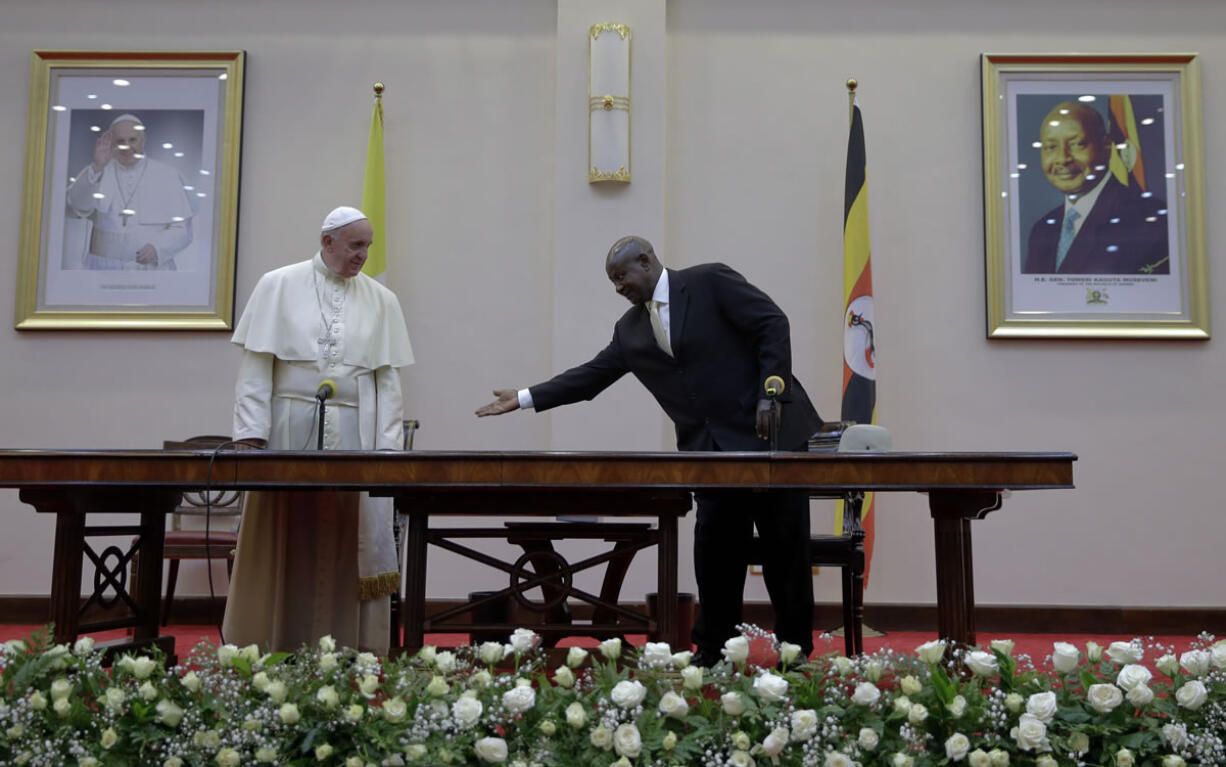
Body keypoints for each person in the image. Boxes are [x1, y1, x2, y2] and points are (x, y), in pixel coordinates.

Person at [476, 236, 822, 665]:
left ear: (646, 260)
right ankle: (713, 652)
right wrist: (526, 396)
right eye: (612, 282)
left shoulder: (709, 281)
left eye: (621, 276)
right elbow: (591, 377)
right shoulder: (631, 329)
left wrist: (773, 390)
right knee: (715, 554)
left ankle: (795, 651)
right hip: (710, 454)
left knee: (783, 549)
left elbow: (772, 322)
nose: (618, 287)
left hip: (771, 436)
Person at [223, 206, 415, 654]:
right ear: (327, 241)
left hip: (356, 430)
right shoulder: (277, 284)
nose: (363, 255)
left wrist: (387, 452)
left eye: (368, 246)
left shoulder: (381, 299)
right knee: (286, 534)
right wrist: (250, 434)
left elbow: (387, 383)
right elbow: (255, 369)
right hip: (288, 427)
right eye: (356, 245)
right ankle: (273, 641)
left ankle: (349, 645)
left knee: (349, 537)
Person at [1023, 101, 1169, 275]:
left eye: (1077, 144)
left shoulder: (1150, 220)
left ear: (1106, 148)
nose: (1062, 158)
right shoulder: (1042, 231)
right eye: (1051, 147)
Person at [65, 113, 195, 270]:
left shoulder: (167, 174)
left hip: (150, 269)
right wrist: (96, 167)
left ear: (143, 139)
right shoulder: (98, 171)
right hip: (101, 267)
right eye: (120, 141)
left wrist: (158, 248)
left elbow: (183, 231)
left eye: (132, 140)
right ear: (112, 143)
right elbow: (78, 206)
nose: (127, 146)